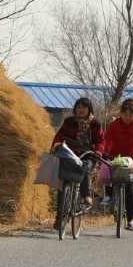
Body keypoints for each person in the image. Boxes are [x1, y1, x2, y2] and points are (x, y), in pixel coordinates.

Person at [51, 97, 105, 232]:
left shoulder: (96, 124)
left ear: (89, 109)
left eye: (84, 107)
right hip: (70, 154)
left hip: (88, 155)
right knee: (63, 185)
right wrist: (55, 146)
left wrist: (98, 151)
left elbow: (100, 141)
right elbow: (60, 136)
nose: (81, 109)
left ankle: (86, 195)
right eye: (78, 107)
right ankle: (60, 217)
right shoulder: (69, 122)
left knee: (85, 167)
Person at [102, 97, 133, 230]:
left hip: (132, 159)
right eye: (125, 114)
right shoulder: (114, 125)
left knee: (130, 189)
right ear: (121, 113)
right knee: (107, 170)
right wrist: (104, 150)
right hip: (116, 157)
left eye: (130, 114)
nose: (127, 117)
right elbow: (107, 139)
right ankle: (108, 195)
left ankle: (130, 220)